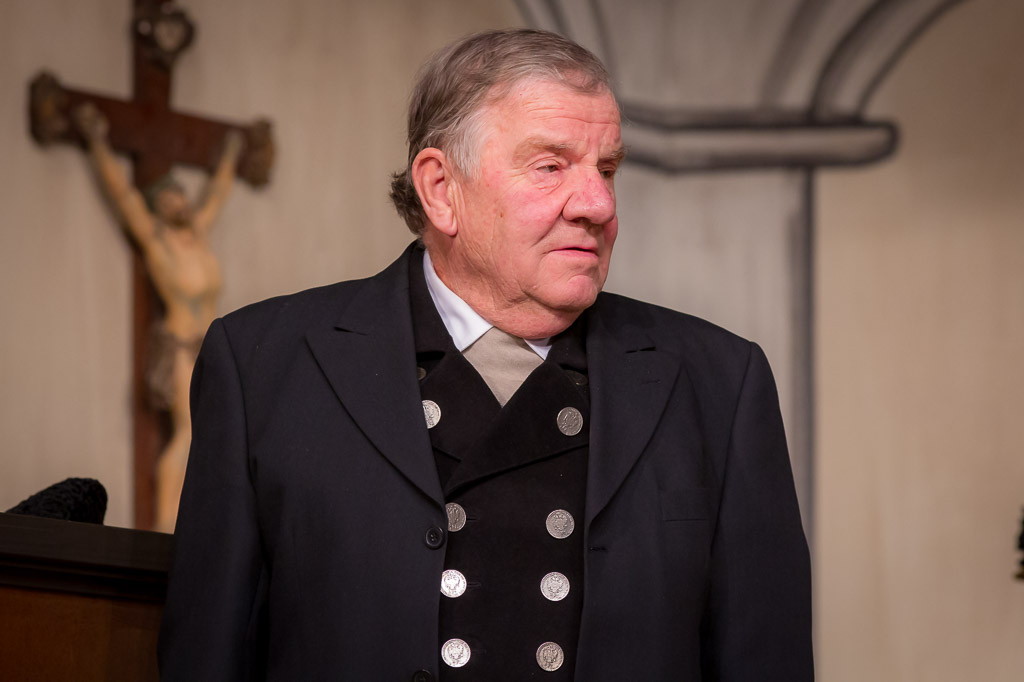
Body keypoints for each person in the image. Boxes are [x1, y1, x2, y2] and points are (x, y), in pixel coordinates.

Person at [159, 29, 812, 681]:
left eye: (607, 169)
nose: (599, 204)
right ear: (442, 189)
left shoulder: (720, 383)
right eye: (551, 166)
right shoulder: (264, 366)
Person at [73, 103, 243, 532]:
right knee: (187, 433)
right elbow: (122, 195)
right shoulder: (157, 240)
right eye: (169, 197)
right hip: (182, 346)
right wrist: (97, 141)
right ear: (159, 207)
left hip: (212, 346)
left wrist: (230, 155)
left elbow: (218, 193)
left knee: (222, 433)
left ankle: (211, 521)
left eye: (180, 193)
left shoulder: (198, 234)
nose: (180, 200)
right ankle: (165, 527)